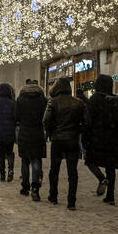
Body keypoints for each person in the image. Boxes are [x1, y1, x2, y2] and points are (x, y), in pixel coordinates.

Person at [43, 77, 90, 210]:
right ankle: (71, 202)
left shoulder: (53, 102)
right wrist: (77, 130)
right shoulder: (79, 103)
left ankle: (53, 196)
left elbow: (46, 121)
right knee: (72, 171)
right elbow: (87, 123)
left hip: (58, 139)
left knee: (54, 169)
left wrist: (52, 132)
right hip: (72, 140)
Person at [83, 75, 118, 206]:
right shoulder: (116, 100)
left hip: (97, 137)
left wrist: (85, 138)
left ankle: (101, 178)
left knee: (90, 161)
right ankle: (110, 196)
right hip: (113, 139)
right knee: (111, 167)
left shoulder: (94, 100)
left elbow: (88, 121)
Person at [15, 80, 47, 201]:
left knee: (25, 161)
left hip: (24, 132)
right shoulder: (43, 100)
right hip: (38, 132)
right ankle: (35, 188)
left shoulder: (20, 99)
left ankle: (25, 187)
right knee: (36, 160)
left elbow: (16, 116)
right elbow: (46, 116)